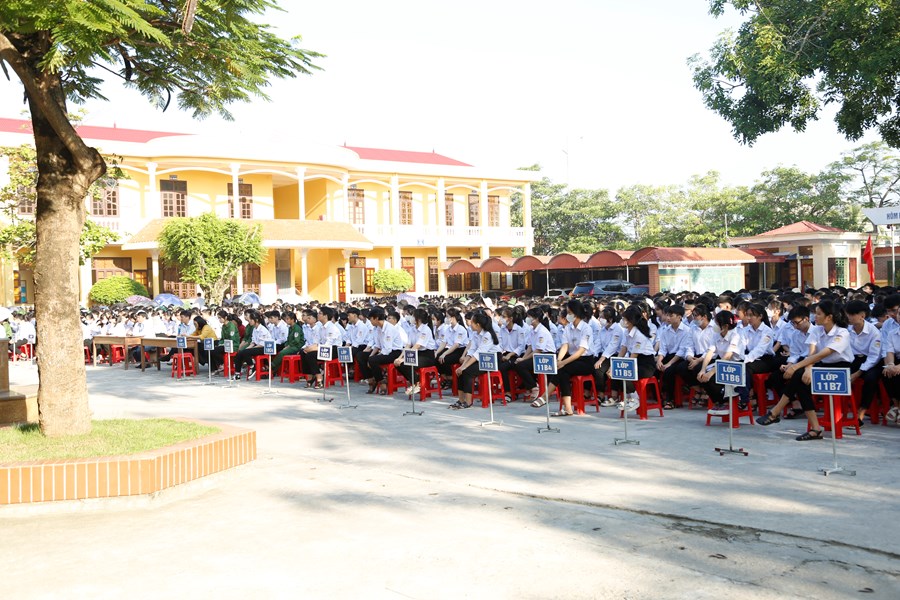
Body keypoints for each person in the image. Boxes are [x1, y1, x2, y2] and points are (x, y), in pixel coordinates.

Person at [757, 300, 854, 440]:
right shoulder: (817, 330)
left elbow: (822, 354)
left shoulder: (842, 333)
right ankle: (815, 429)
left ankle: (775, 412)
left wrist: (796, 366)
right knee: (800, 380)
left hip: (841, 369)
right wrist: (808, 369)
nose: (815, 316)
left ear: (829, 317)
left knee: (797, 374)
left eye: (818, 314)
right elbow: (812, 353)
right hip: (822, 366)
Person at [544, 300, 595, 417]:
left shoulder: (586, 328)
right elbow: (565, 346)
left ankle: (545, 396)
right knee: (562, 372)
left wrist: (563, 363)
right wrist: (559, 360)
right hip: (571, 359)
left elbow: (580, 351)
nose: (568, 315)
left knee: (563, 369)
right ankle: (567, 408)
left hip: (585, 361)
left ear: (576, 313)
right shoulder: (568, 327)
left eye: (569, 313)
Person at [449, 312, 502, 410]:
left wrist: (465, 367)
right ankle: (461, 400)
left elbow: (478, 353)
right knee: (460, 371)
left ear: (478, 324)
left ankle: (468, 401)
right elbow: (471, 350)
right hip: (481, 358)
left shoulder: (487, 335)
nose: (470, 324)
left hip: (491, 359)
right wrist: (462, 366)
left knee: (467, 372)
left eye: (472, 322)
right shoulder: (475, 333)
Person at [845, 300, 882, 426]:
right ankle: (840, 410)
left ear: (862, 315)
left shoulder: (874, 332)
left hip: (871, 362)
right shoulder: (847, 330)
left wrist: (858, 373)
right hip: (853, 359)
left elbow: (874, 357)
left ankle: (861, 412)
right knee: (840, 374)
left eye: (852, 314)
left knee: (870, 379)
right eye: (848, 314)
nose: (849, 317)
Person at [516, 306, 557, 405]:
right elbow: (530, 347)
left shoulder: (542, 331)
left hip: (546, 356)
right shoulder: (532, 329)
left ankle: (534, 387)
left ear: (536, 318)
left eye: (530, 317)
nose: (528, 319)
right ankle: (532, 386)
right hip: (538, 355)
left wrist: (524, 360)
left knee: (522, 366)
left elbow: (538, 350)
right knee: (518, 364)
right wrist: (523, 358)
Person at [394, 308, 437, 396]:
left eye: (413, 316)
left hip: (427, 356)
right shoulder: (412, 329)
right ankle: (415, 382)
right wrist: (400, 358)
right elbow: (408, 345)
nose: (411, 318)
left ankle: (417, 384)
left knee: (406, 364)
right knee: (398, 364)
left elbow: (417, 346)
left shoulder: (425, 329)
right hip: (416, 354)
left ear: (418, 319)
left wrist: (406, 358)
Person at [366, 307, 405, 393]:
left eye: (371, 319)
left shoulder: (389, 328)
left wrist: (374, 357)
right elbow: (377, 345)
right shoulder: (378, 328)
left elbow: (387, 349)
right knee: (364, 357)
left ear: (376, 318)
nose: (370, 322)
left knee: (372, 360)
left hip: (394, 352)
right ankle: (373, 379)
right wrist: (371, 355)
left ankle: (381, 382)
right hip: (385, 351)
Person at [233, 311, 272, 380]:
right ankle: (237, 374)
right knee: (240, 353)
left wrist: (250, 349)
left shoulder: (263, 329)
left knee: (245, 352)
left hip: (264, 348)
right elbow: (253, 342)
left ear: (256, 320)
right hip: (257, 347)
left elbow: (262, 344)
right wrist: (248, 348)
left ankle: (252, 366)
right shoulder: (254, 329)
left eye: (251, 320)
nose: (249, 321)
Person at [271, 311, 305, 376]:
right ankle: (273, 370)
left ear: (292, 320)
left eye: (287, 319)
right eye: (285, 319)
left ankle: (271, 366)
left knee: (282, 353)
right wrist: (286, 345)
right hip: (291, 345)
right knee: (281, 352)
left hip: (296, 346)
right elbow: (288, 339)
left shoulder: (296, 328)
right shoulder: (290, 327)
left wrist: (288, 346)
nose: (286, 320)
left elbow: (296, 341)